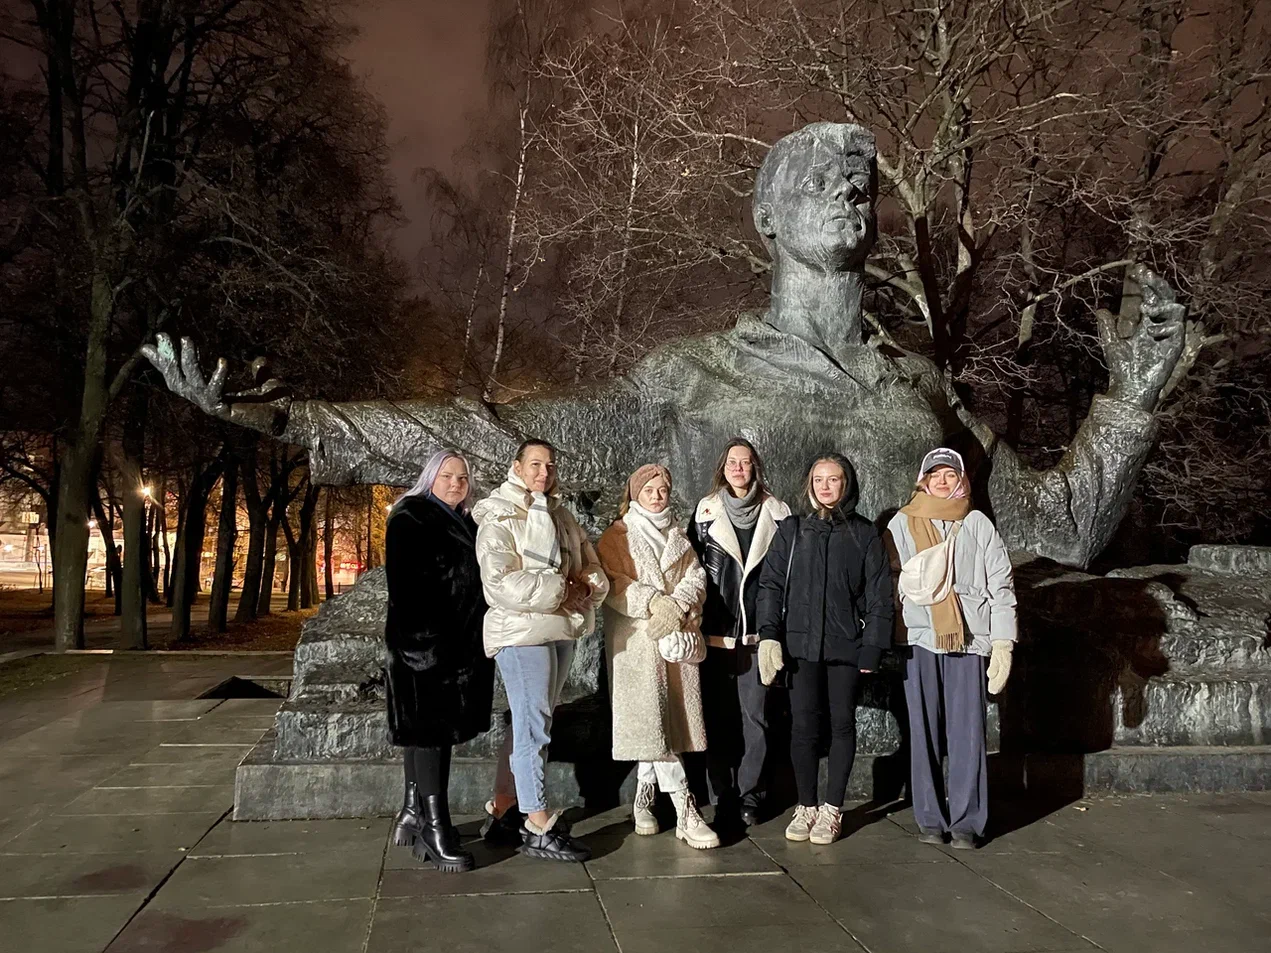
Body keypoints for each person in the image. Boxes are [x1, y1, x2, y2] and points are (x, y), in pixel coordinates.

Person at [472, 439, 609, 862]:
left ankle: (504, 808)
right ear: (517, 467)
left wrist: (587, 585)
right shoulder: (500, 514)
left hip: (559, 626)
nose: (543, 473)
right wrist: (562, 588)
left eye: (549, 466)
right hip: (521, 632)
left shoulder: (560, 514)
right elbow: (500, 583)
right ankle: (537, 821)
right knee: (534, 727)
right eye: (534, 464)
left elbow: (588, 565)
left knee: (530, 723)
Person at [757, 453, 893, 845]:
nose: (825, 486)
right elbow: (771, 585)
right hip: (800, 645)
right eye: (819, 479)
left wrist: (873, 645)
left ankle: (832, 809)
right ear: (810, 485)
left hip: (844, 645)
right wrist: (769, 635)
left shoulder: (864, 534)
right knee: (803, 726)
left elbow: (878, 594)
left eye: (833, 479)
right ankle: (806, 806)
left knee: (842, 724)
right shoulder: (793, 530)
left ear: (846, 484)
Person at [887, 448, 1017, 850]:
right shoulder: (901, 522)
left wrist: (1003, 641)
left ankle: (967, 822)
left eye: (950, 474)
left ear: (962, 479)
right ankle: (929, 818)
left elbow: (1001, 584)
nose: (942, 481)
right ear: (923, 480)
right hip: (919, 637)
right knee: (922, 730)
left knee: (968, 734)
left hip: (968, 638)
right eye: (935, 474)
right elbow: (888, 579)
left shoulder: (977, 523)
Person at [598, 464, 719, 850]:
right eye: (649, 489)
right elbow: (612, 580)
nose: (656, 496)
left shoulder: (677, 534)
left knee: (661, 723)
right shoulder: (617, 535)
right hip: (637, 644)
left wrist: (679, 604)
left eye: (662, 489)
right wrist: (653, 602)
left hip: (674, 641)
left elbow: (696, 577)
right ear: (635, 493)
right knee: (651, 720)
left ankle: (643, 798)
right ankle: (686, 809)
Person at [385, 450, 494, 873]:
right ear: (430, 477)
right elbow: (407, 589)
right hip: (426, 649)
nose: (455, 483)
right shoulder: (411, 517)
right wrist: (426, 648)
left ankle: (413, 812)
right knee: (432, 734)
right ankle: (435, 829)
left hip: (454, 649)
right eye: (447, 475)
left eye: (463, 477)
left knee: (426, 733)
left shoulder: (463, 520)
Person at [688, 438, 791, 828]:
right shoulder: (705, 512)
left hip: (757, 636)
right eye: (732, 462)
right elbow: (693, 569)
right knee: (716, 718)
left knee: (756, 717)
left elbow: (786, 574)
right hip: (716, 633)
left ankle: (751, 794)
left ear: (755, 467)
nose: (738, 468)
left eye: (745, 462)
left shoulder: (778, 512)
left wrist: (775, 627)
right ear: (723, 467)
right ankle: (721, 795)